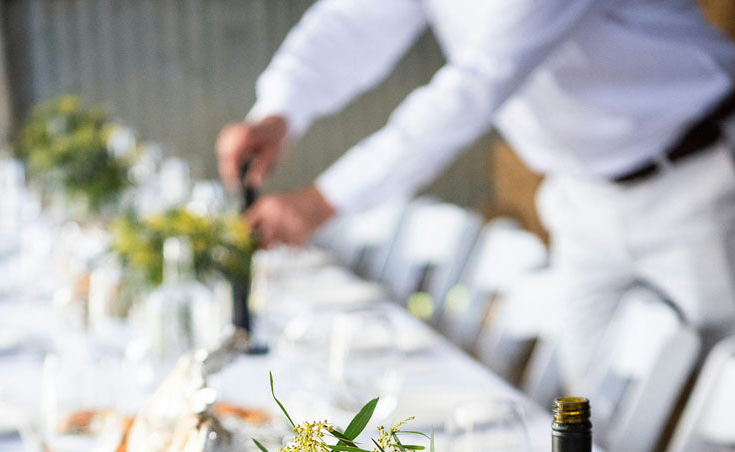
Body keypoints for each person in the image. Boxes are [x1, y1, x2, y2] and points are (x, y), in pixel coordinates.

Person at [216, 0, 735, 393]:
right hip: (582, 196)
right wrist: (278, 111)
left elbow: (475, 88)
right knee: (591, 418)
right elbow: (351, 22)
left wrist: (325, 199)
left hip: (701, 175)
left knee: (724, 416)